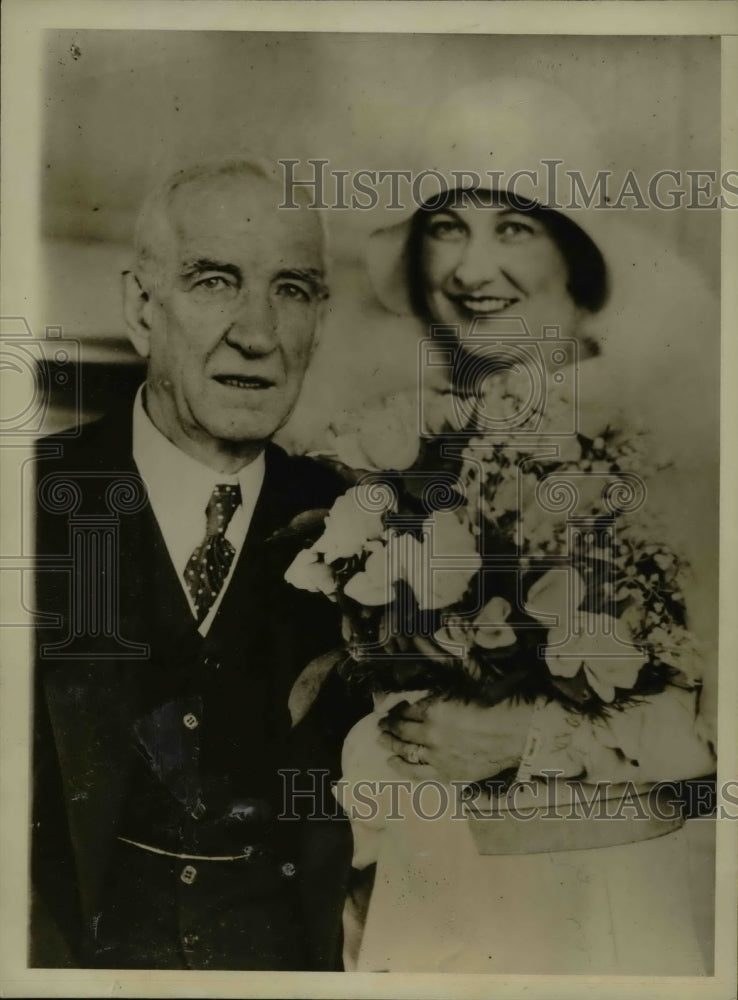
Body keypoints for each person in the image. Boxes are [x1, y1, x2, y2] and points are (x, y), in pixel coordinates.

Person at [339, 79, 718, 973]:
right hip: (424, 893)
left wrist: (533, 742)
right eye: (446, 227)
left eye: (514, 226)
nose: (472, 272)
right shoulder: (401, 443)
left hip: (596, 909)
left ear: (574, 257)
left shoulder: (679, 450)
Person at [31, 157, 366, 970]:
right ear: (143, 310)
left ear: (320, 319)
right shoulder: (28, 502)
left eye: (291, 290)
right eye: (215, 280)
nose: (257, 332)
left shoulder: (370, 531)